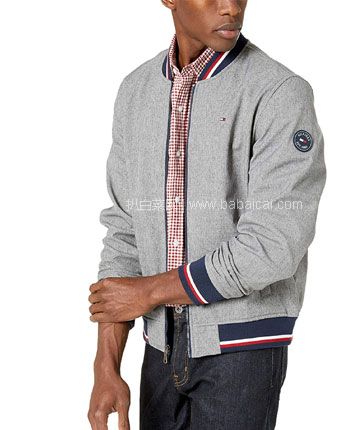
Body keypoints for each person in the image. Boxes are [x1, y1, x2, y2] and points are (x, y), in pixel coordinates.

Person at [87, 0, 326, 428]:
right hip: (158, 348)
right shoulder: (136, 90)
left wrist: (150, 292)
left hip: (242, 352)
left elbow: (272, 247)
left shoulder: (279, 92)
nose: (231, 8)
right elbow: (125, 230)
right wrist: (106, 366)